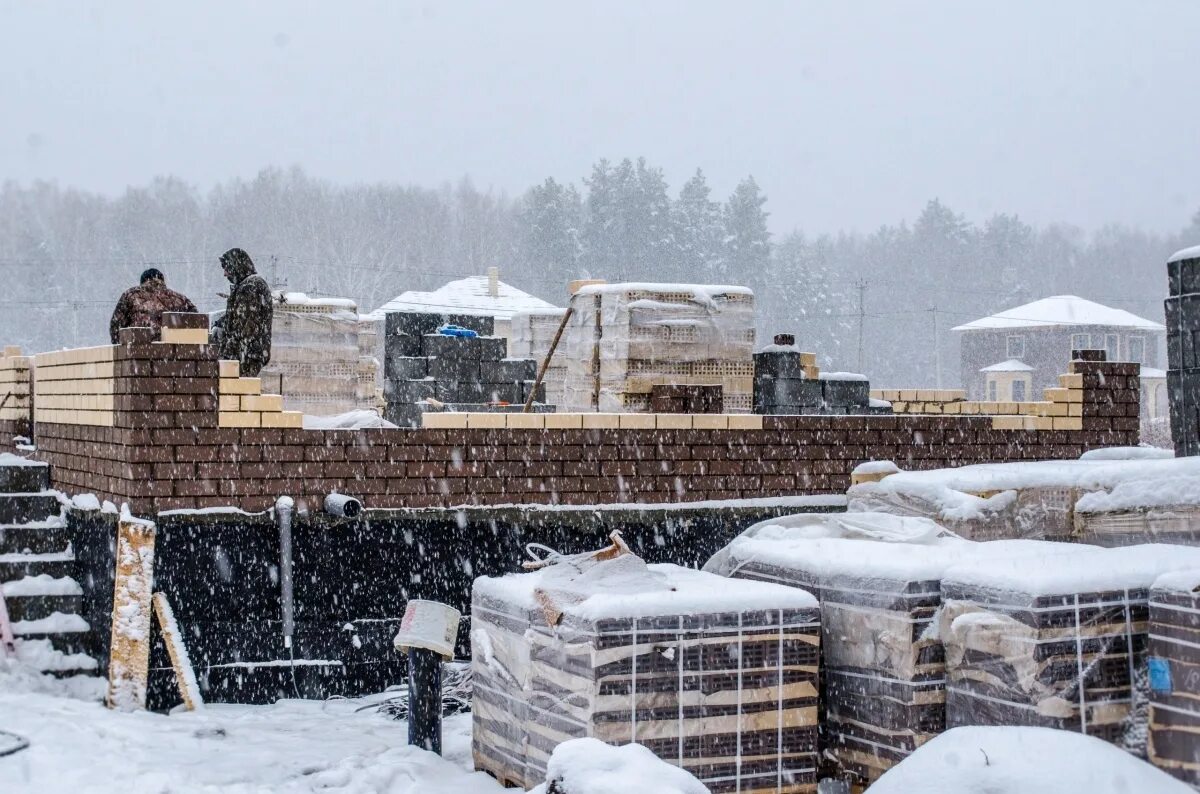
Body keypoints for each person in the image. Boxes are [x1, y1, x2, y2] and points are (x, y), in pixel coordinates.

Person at [211, 248, 274, 376]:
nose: (225, 274)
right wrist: (221, 324)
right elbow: (238, 317)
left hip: (245, 357)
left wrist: (226, 354)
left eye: (227, 269)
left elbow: (245, 327)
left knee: (238, 391)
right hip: (248, 354)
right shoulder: (248, 286)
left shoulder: (250, 288)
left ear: (236, 266)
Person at [109, 268, 198, 343]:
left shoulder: (130, 295)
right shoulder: (179, 298)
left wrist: (120, 348)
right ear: (162, 281)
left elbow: (116, 325)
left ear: (142, 282)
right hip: (171, 353)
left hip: (139, 350)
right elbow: (196, 321)